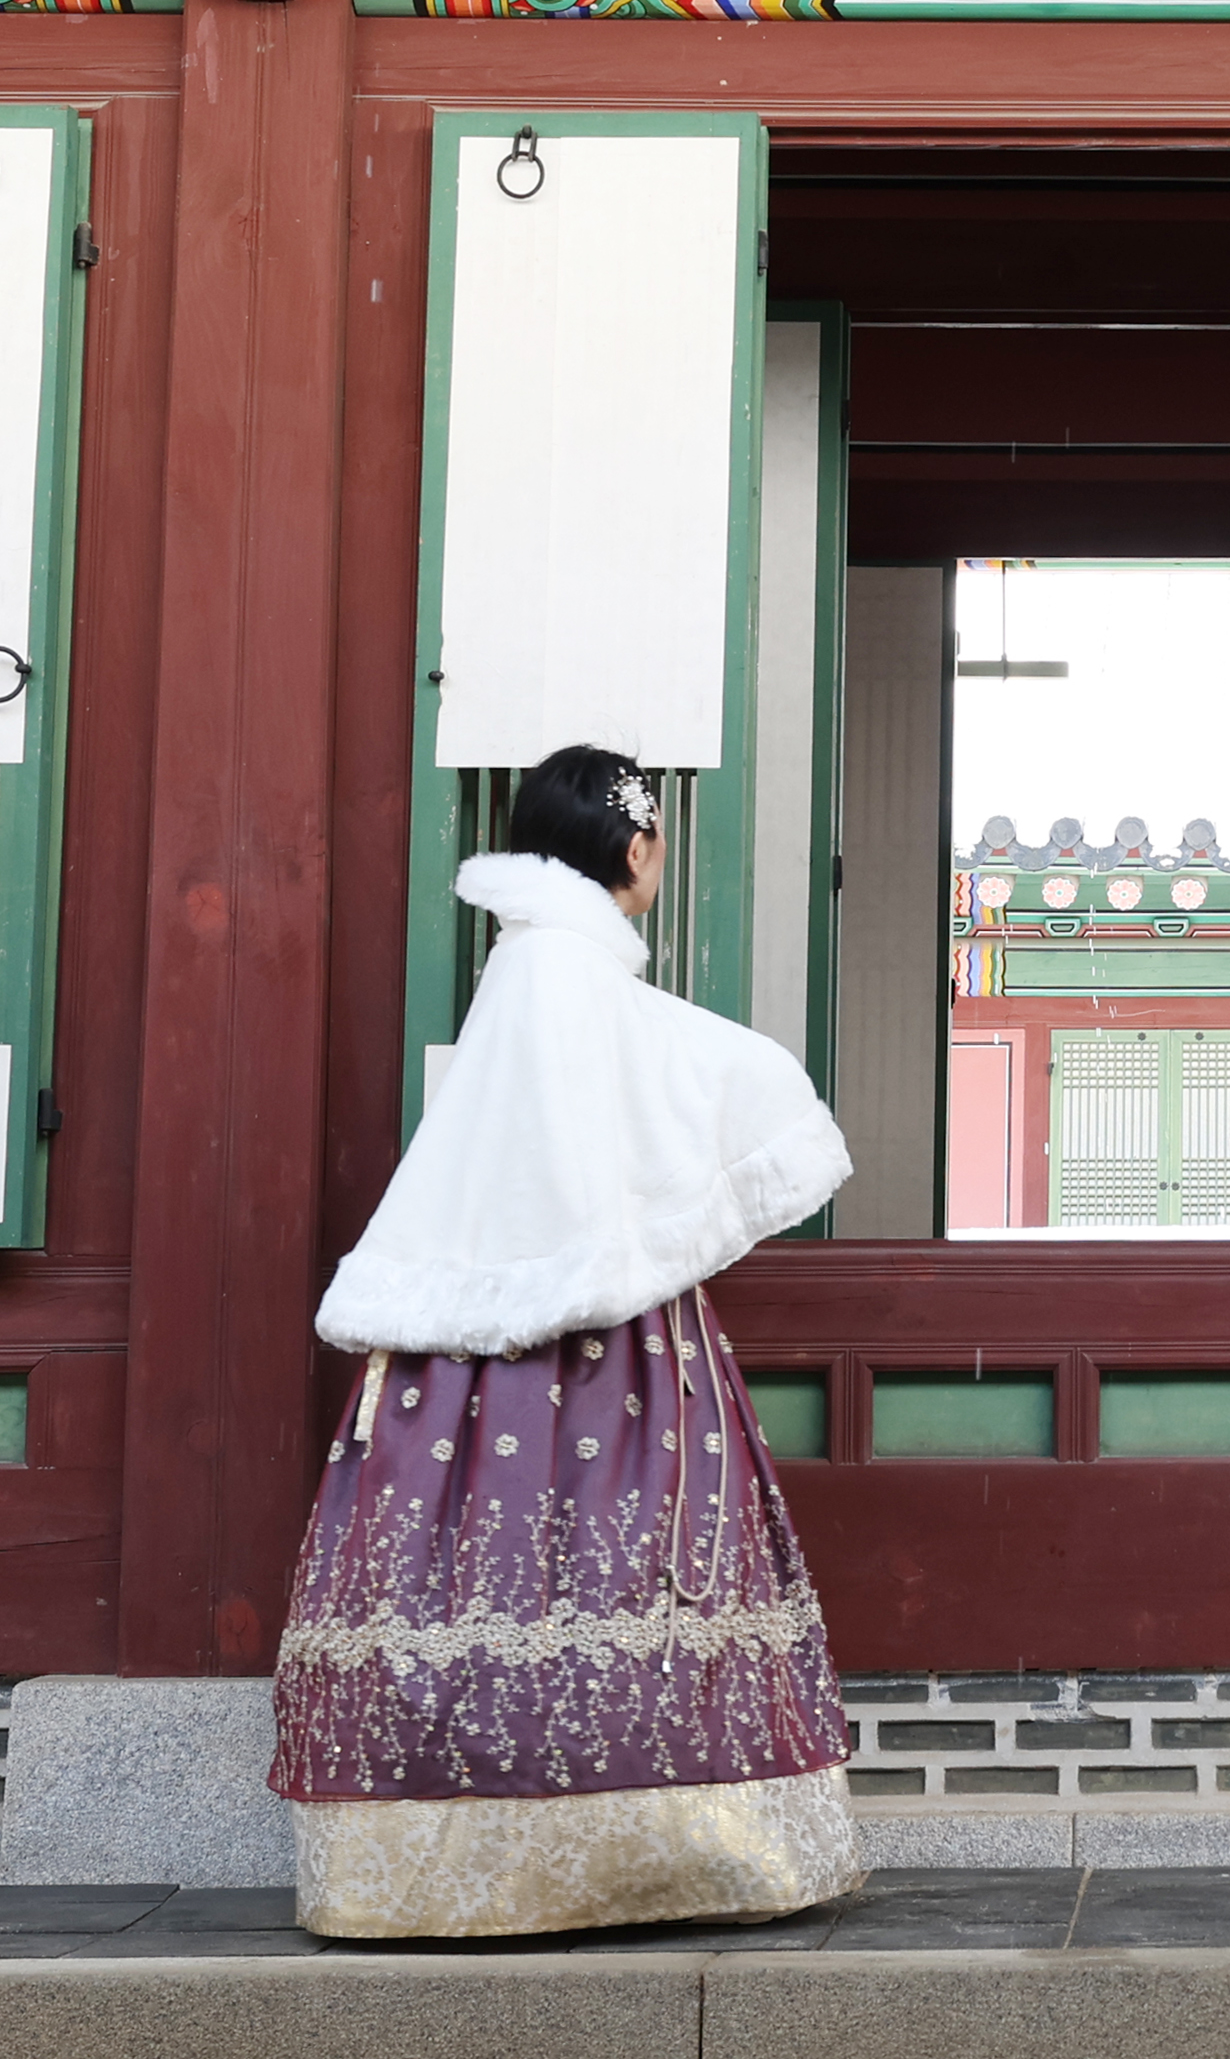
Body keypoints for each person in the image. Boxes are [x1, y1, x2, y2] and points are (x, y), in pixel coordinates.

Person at [268, 744, 862, 1938]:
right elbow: (694, 1079)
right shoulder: (577, 978)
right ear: (637, 850)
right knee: (633, 1557)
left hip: (464, 1359)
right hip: (621, 1350)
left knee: (472, 1571)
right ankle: (682, 1852)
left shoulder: (525, 973)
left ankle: (435, 1873)